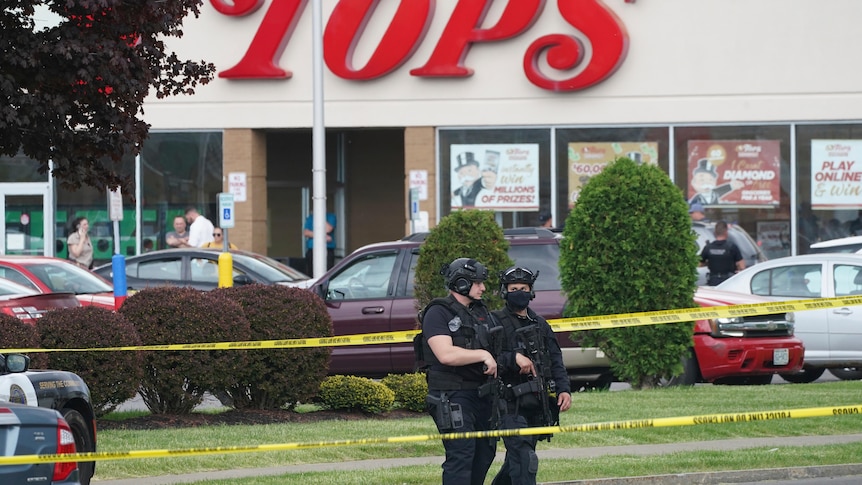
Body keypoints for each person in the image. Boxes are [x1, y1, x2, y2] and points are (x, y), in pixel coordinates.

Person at [417, 257, 500, 485]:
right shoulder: (438, 312)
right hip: (452, 395)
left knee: (485, 453)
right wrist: (482, 355)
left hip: (482, 394)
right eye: (478, 283)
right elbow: (446, 354)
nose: (483, 288)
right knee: (461, 455)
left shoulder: (480, 312)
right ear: (462, 283)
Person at [491, 266, 572, 485]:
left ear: (531, 291)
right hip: (508, 403)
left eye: (524, 288)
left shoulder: (540, 324)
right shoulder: (494, 322)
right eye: (514, 288)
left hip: (536, 402)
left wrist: (564, 389)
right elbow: (485, 360)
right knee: (525, 458)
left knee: (518, 460)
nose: (519, 292)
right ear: (505, 291)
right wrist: (513, 358)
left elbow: (555, 359)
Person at [700, 220, 745, 286]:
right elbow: (742, 266)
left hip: (713, 280)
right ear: (726, 232)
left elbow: (700, 264)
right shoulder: (732, 247)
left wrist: (709, 262)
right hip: (728, 281)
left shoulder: (708, 248)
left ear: (715, 233)